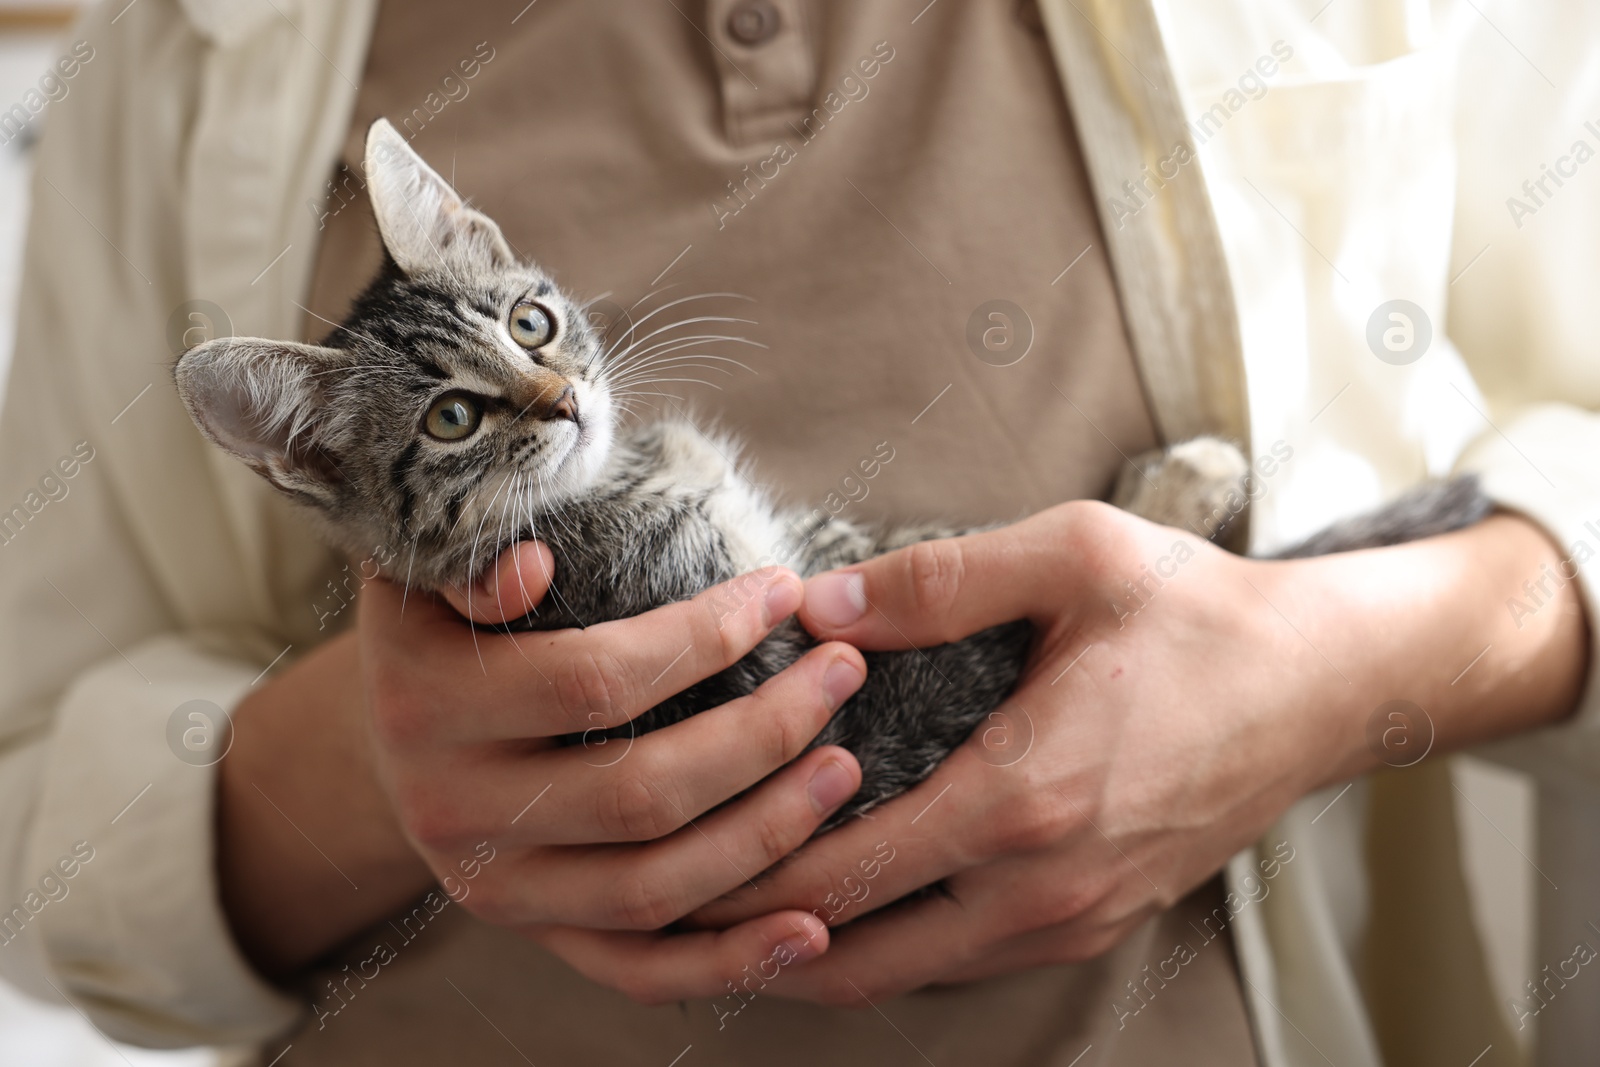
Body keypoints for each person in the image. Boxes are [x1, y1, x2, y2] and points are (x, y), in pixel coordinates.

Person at [0, 0, 1594, 1063]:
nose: (554, 403)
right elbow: (30, 835)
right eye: (470, 412)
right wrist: (376, 755)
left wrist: (1334, 673)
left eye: (536, 334)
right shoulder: (169, 42)